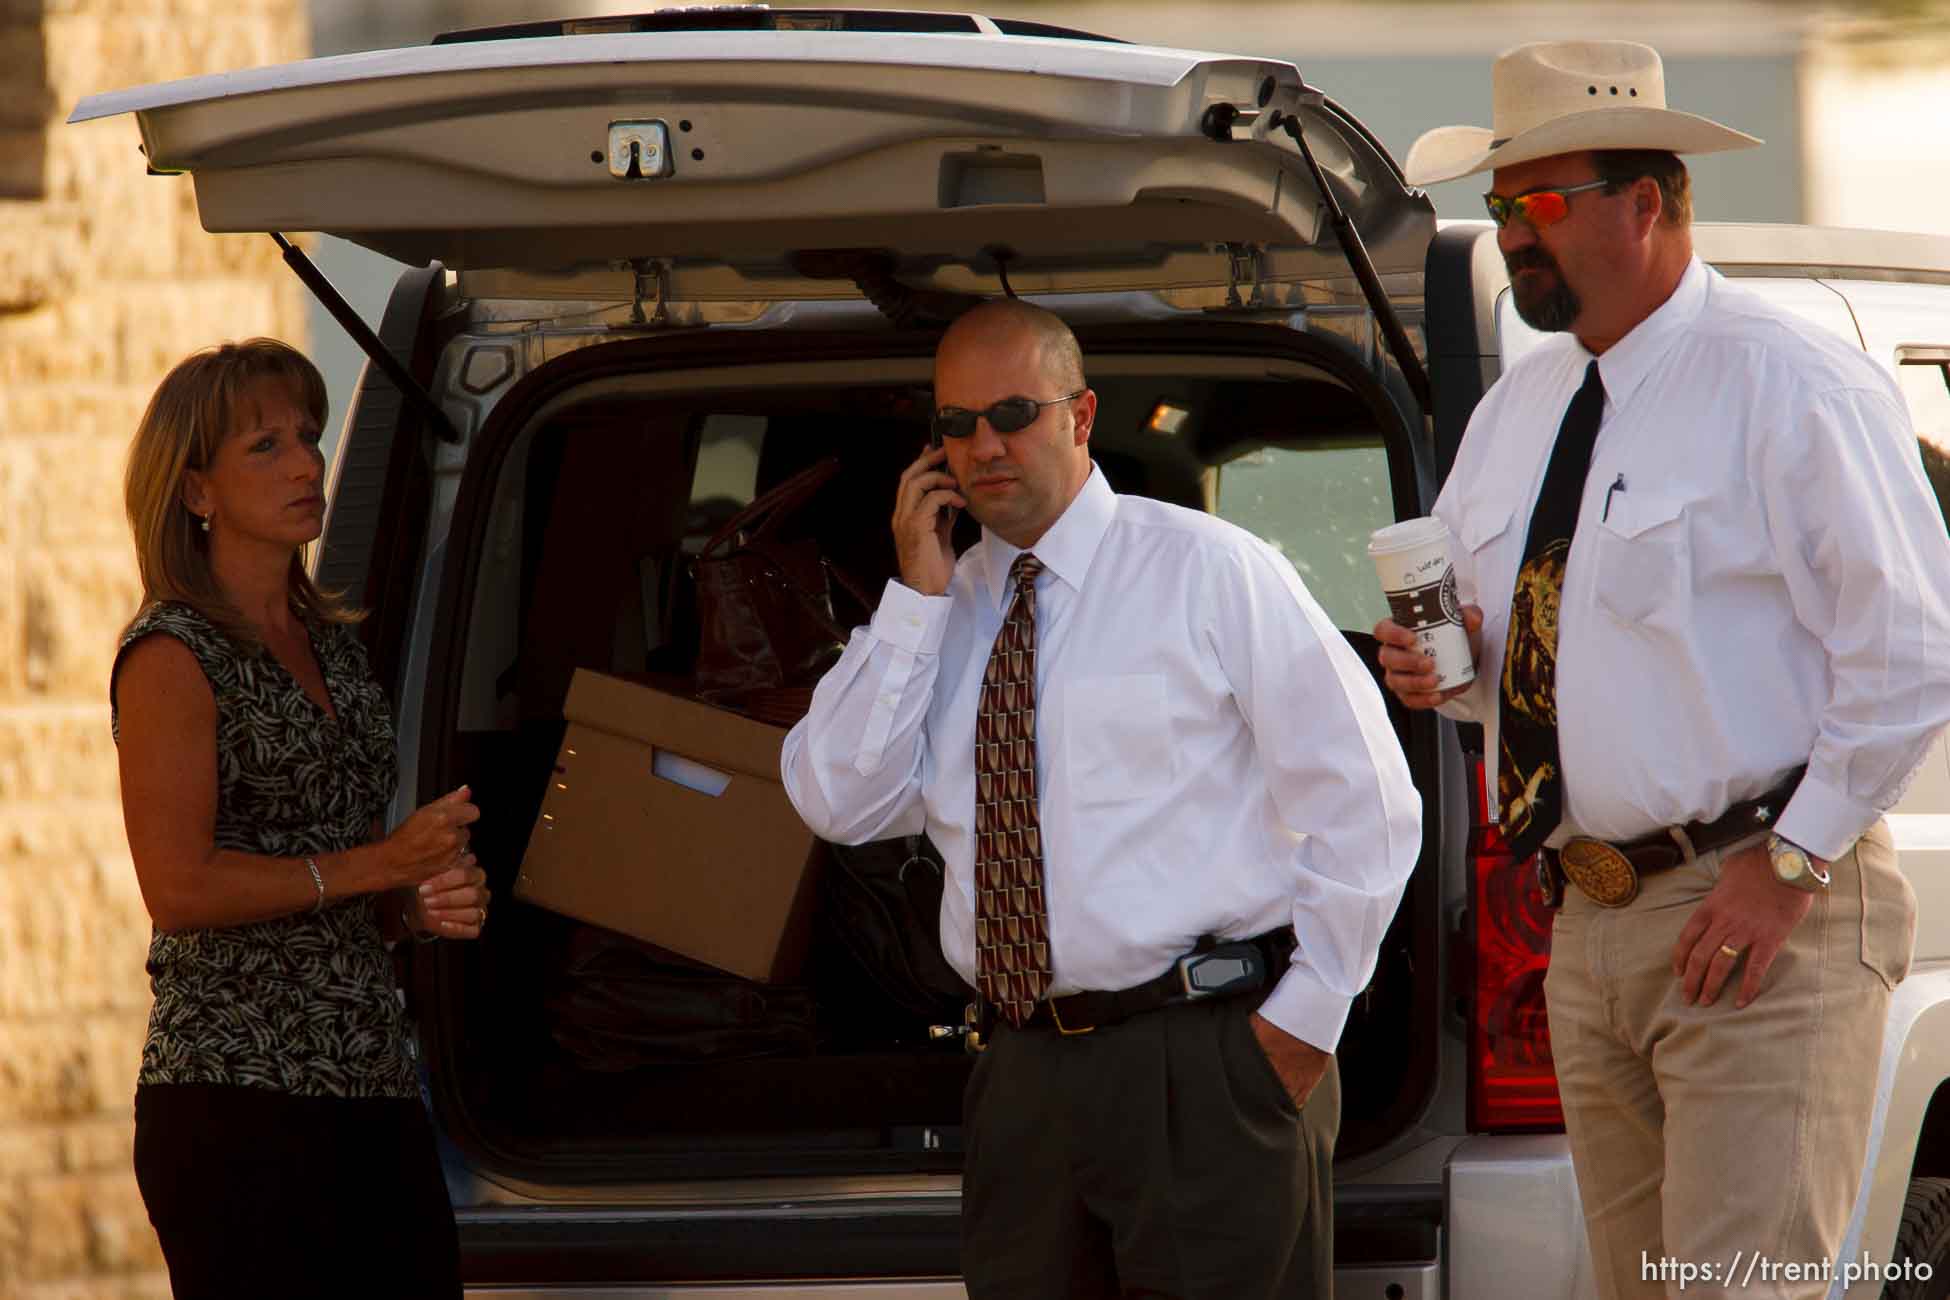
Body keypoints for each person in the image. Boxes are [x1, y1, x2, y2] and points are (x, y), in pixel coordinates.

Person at [1379, 41, 1950, 1299]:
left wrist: (1791, 867)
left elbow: (1914, 653)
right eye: (1499, 208)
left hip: (1759, 917)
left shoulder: (1790, 381)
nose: (1514, 236)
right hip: (1586, 927)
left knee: (1739, 1289)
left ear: (1648, 202)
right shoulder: (1520, 412)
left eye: (1539, 205)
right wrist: (1445, 676)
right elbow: (1519, 673)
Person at [782, 299, 1420, 1298]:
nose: (984, 445)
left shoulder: (1208, 569)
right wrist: (913, 595)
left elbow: (1369, 797)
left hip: (1207, 1057)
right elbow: (840, 801)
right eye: (956, 424)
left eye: (1013, 413)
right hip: (1022, 1069)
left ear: (1080, 417)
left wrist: (1309, 1015)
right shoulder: (936, 610)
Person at [112, 339, 493, 1298]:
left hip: (369, 1086)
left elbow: (340, 886)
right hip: (237, 1098)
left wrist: (414, 905)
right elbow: (179, 888)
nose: (306, 463)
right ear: (196, 491)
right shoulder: (171, 653)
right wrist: (382, 865)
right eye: (265, 446)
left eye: (310, 438)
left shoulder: (334, 645)